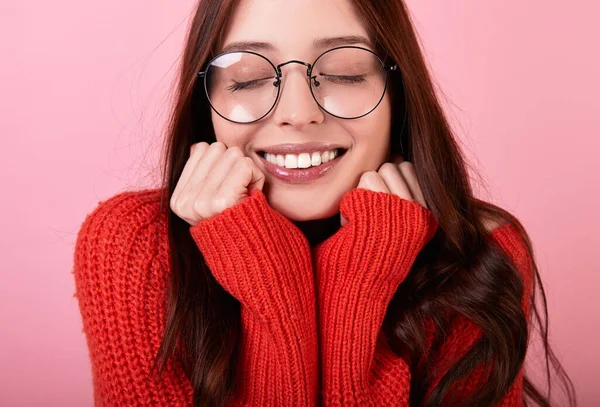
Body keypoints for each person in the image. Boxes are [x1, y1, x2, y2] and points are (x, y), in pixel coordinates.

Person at [72, 0, 576, 406]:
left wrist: (361, 282)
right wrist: (267, 280)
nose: (297, 113)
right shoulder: (134, 244)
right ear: (205, 101)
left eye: (346, 72)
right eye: (247, 79)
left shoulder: (478, 251)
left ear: (398, 91)